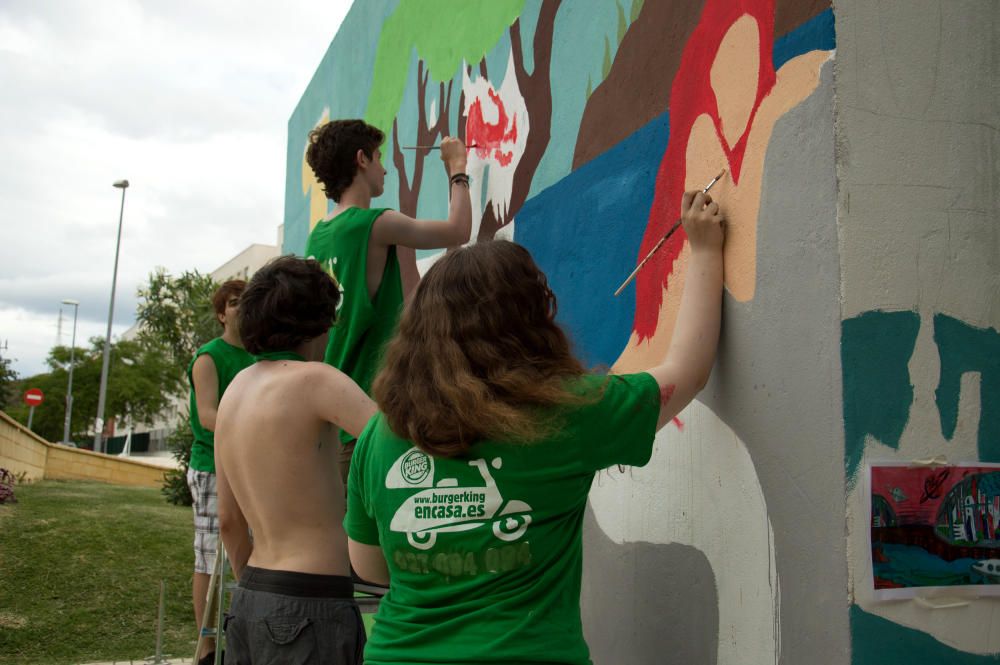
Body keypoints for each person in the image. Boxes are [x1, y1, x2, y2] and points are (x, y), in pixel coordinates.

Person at [344, 190, 725, 664]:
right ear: (529, 318)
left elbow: (369, 568)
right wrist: (706, 250)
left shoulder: (379, 436)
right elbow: (687, 372)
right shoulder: (566, 412)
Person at [214, 256, 377, 664]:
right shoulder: (316, 380)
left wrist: (259, 599)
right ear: (319, 323)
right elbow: (399, 445)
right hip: (311, 600)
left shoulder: (234, 391)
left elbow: (229, 522)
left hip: (250, 597)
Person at [303, 119, 472, 474]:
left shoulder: (317, 237)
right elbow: (458, 230)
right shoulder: (377, 224)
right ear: (361, 159)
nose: (385, 168)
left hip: (332, 418)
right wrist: (457, 168)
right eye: (379, 158)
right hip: (372, 416)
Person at [185, 279, 255, 665]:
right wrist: (259, 425)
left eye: (247, 300)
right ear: (220, 314)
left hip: (251, 468)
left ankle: (240, 635)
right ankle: (206, 645)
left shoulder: (260, 356)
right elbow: (208, 417)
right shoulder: (209, 357)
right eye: (233, 302)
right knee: (210, 556)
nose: (241, 307)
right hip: (213, 468)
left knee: (250, 554)